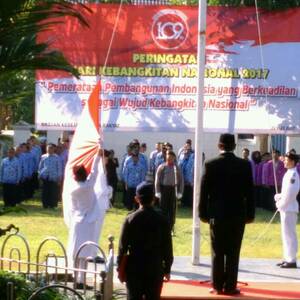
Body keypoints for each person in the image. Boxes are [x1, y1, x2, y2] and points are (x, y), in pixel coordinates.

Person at [199, 133, 255, 295]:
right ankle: (230, 286)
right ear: (234, 146)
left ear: (219, 146)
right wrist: (250, 214)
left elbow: (204, 193)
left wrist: (203, 213)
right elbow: (250, 193)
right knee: (233, 252)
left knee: (217, 251)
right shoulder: (244, 165)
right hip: (237, 215)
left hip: (217, 215)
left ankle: (217, 286)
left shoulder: (210, 164)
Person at [64, 148, 112, 287]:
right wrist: (97, 155)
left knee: (76, 252)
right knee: (84, 254)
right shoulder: (90, 185)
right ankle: (82, 280)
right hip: (89, 221)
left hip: (78, 221)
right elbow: (95, 172)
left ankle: (75, 278)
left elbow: (73, 207)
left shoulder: (74, 190)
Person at [117, 181, 173, 300]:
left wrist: (119, 267)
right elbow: (167, 247)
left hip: (135, 267)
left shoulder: (130, 219)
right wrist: (167, 268)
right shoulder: (162, 220)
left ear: (137, 199)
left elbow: (122, 247)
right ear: (153, 199)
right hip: (155, 266)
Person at [274, 152, 299, 269]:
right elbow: (286, 192)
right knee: (285, 234)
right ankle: (287, 257)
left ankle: (292, 259)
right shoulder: (289, 173)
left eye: (286, 159)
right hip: (286, 207)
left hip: (289, 208)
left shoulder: (293, 174)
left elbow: (291, 193)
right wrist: (279, 196)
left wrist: (281, 204)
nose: (284, 161)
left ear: (292, 162)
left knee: (290, 235)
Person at [155, 150, 184, 233]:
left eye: (171, 157)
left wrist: (180, 192)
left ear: (174, 158)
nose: (169, 158)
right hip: (164, 190)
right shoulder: (162, 167)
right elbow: (157, 179)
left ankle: (171, 226)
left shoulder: (177, 168)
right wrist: (158, 191)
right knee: (163, 209)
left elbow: (181, 180)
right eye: (168, 157)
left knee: (172, 209)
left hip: (173, 189)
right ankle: (162, 226)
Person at [38, 143, 63, 208]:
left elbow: (59, 168)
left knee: (53, 192)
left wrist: (59, 178)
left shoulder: (57, 158)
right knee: (45, 191)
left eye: (51, 148)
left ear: (54, 149)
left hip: (54, 177)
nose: (49, 150)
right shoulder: (43, 157)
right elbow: (40, 167)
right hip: (45, 176)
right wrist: (39, 175)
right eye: (48, 148)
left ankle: (53, 205)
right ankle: (45, 204)